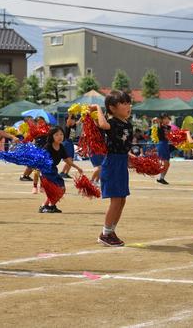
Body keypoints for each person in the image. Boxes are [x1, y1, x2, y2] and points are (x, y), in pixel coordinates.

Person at [93, 90, 134, 247]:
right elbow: (102, 124)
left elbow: (123, 145)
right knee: (116, 200)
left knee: (122, 200)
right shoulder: (112, 122)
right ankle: (105, 234)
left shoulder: (127, 124)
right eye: (123, 103)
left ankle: (111, 230)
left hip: (122, 161)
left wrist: (131, 157)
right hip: (112, 163)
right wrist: (97, 106)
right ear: (112, 108)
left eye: (128, 103)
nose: (128, 106)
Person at [38, 126, 84, 213]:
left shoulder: (61, 147)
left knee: (61, 189)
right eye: (57, 135)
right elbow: (40, 160)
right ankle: (45, 206)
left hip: (53, 171)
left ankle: (50, 206)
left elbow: (67, 160)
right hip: (46, 171)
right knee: (56, 189)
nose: (60, 137)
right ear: (51, 136)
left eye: (61, 134)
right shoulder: (47, 147)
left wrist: (77, 168)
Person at [153, 114, 172, 185]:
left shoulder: (169, 127)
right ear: (162, 120)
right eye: (165, 119)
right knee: (165, 162)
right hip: (161, 144)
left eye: (168, 119)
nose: (167, 120)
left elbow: (169, 137)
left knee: (167, 163)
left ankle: (161, 178)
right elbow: (155, 120)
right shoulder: (160, 125)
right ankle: (160, 177)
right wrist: (157, 120)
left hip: (166, 144)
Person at [60, 114, 78, 179]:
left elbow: (80, 121)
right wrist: (70, 114)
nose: (74, 121)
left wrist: (84, 115)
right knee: (69, 159)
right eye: (72, 120)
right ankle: (62, 172)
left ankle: (66, 173)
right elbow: (68, 121)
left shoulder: (74, 126)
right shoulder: (67, 126)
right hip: (66, 143)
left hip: (70, 143)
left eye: (74, 120)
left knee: (71, 160)